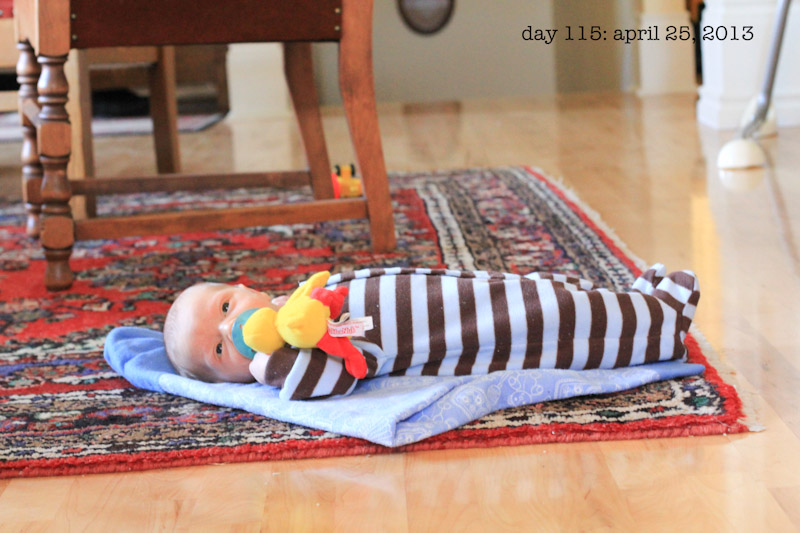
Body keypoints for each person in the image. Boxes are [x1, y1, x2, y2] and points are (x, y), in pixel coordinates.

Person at [163, 264, 699, 400]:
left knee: (538, 289)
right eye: (219, 348)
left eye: (226, 306)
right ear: (227, 380)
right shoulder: (292, 363)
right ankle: (661, 324)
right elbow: (338, 376)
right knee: (551, 321)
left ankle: (637, 301)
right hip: (466, 329)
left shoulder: (297, 302)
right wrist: (269, 365)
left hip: (454, 292)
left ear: (244, 286)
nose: (233, 327)